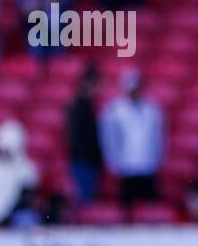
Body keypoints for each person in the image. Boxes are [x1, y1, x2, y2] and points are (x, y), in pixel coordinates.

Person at [98, 69, 165, 207]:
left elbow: (159, 137)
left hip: (148, 164)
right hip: (125, 165)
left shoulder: (152, 109)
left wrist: (158, 159)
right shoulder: (114, 110)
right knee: (127, 207)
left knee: (149, 207)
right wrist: (113, 161)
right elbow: (109, 138)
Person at [0, 120, 39, 226]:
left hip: (17, 218)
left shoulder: (26, 169)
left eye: (8, 150)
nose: (5, 154)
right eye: (2, 150)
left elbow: (28, 197)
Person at [66, 66, 103, 203]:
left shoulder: (91, 105)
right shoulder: (77, 107)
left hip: (90, 161)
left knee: (89, 201)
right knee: (84, 202)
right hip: (82, 161)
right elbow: (76, 137)